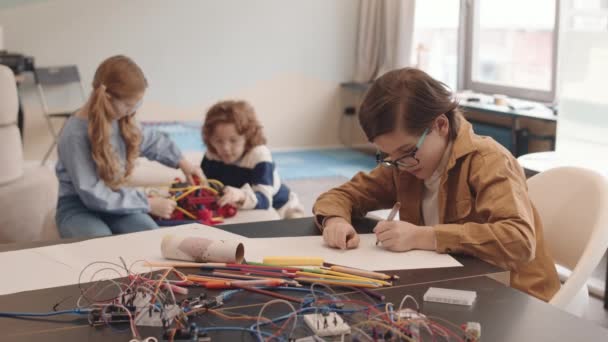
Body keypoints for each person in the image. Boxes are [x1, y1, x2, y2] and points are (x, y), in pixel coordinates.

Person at [312, 68, 560, 301]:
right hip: (453, 287)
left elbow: (519, 241)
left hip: (512, 297)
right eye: (389, 157)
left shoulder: (488, 161)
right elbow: (342, 195)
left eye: (407, 151)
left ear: (440, 125)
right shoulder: (404, 164)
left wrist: (424, 236)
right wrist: (335, 220)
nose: (401, 164)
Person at [55, 55, 203, 238]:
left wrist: (183, 163)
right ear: (107, 98)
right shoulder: (74, 135)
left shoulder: (121, 119)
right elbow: (92, 194)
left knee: (148, 233)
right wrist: (148, 203)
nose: (133, 110)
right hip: (77, 206)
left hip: (116, 199)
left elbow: (153, 141)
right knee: (99, 239)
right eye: (128, 105)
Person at [201, 100, 304, 219]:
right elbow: (206, 185)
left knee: (295, 223)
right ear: (210, 139)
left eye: (233, 140)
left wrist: (241, 195)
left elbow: (265, 200)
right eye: (218, 141)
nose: (225, 148)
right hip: (239, 204)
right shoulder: (212, 154)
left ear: (248, 137)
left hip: (282, 206)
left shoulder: (259, 155)